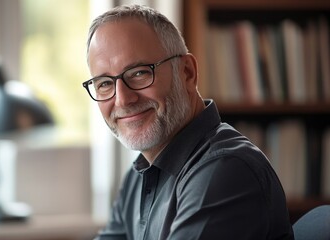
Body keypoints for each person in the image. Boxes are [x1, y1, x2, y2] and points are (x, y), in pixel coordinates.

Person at [82, 4, 294, 239]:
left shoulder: (225, 169)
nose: (122, 100)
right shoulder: (141, 173)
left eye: (139, 73)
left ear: (187, 73)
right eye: (104, 84)